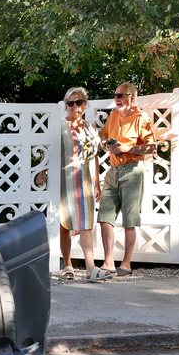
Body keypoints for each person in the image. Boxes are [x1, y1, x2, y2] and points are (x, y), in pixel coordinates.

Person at [98, 83, 157, 277]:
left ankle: (126, 263)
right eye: (115, 95)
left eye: (120, 95)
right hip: (113, 170)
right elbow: (102, 137)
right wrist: (101, 142)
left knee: (130, 219)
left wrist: (126, 148)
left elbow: (152, 148)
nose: (116, 99)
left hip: (133, 170)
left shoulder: (141, 118)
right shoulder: (114, 116)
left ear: (132, 97)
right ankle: (108, 262)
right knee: (105, 217)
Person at [55, 87, 104, 281]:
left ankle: (90, 268)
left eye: (79, 102)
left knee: (86, 224)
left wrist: (97, 182)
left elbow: (95, 156)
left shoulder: (91, 128)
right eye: (71, 103)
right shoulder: (59, 126)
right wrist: (42, 172)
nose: (75, 106)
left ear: (85, 105)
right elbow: (49, 152)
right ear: (66, 105)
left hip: (85, 182)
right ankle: (67, 265)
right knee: (64, 223)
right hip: (63, 180)